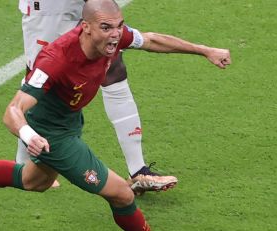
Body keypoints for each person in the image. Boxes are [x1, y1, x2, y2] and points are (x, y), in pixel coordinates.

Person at [0, 0, 230, 231]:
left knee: (33, 181)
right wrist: (28, 135)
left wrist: (204, 50)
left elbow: (151, 40)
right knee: (122, 194)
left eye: (119, 26)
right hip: (53, 134)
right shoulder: (56, 59)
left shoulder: (112, 38)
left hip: (69, 121)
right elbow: (13, 110)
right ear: (85, 26)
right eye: (107, 28)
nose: (115, 35)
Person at [18, 0, 178, 194]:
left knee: (114, 65)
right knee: (40, 77)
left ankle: (138, 171)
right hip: (51, 8)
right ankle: (24, 162)